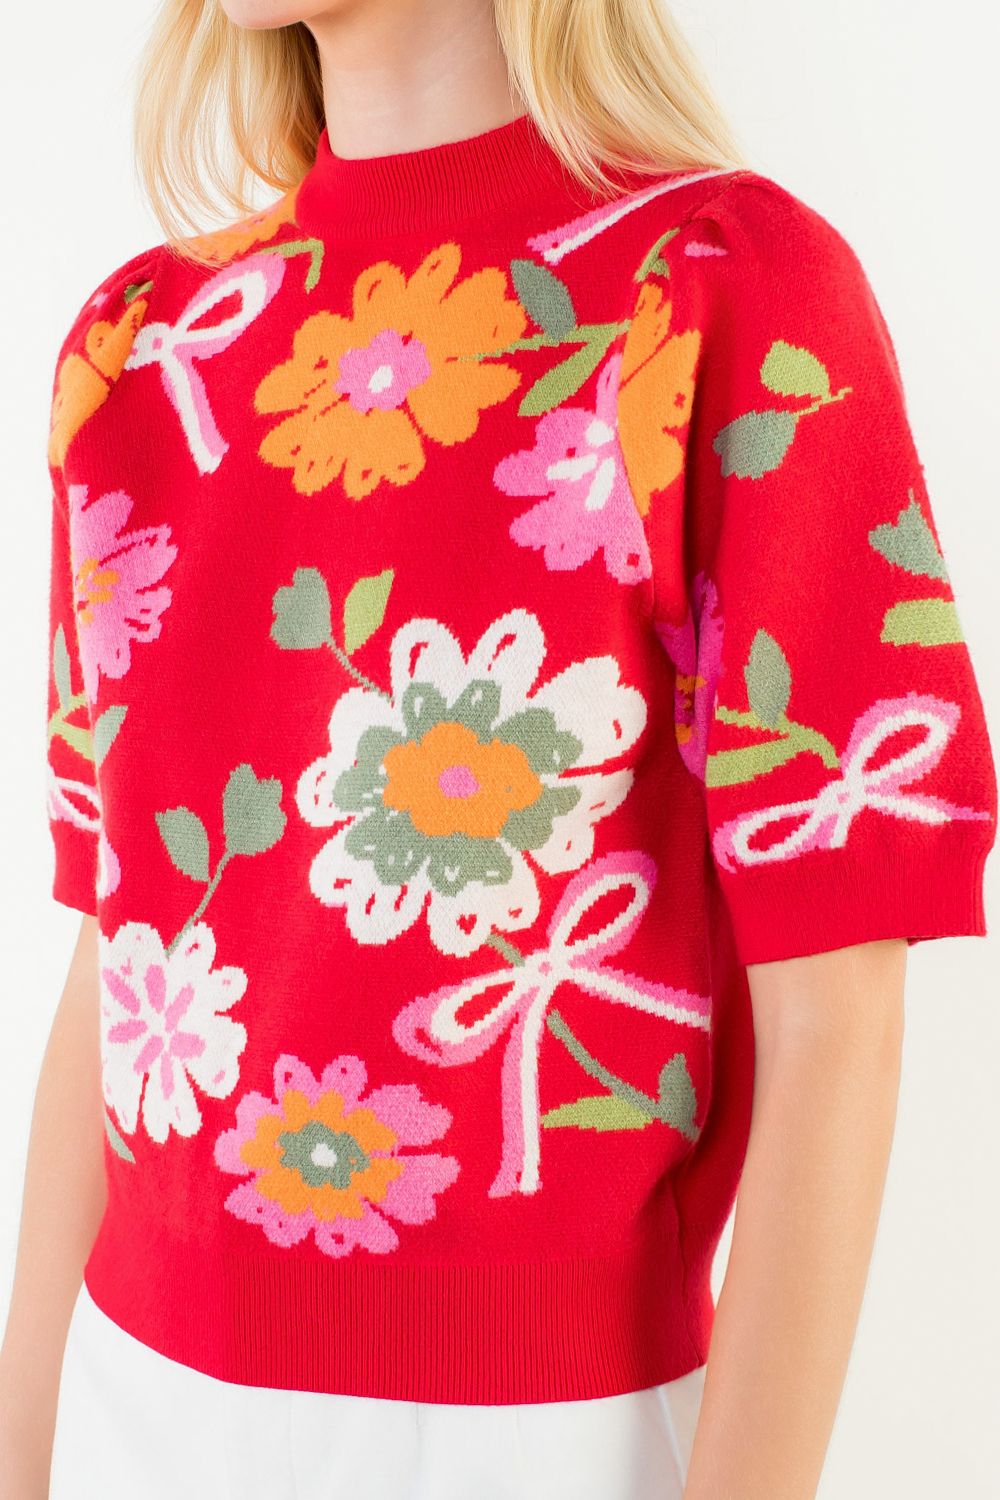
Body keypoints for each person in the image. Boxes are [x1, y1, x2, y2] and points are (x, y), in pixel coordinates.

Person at [2, 1, 996, 1496]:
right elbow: (124, 944)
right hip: (126, 1401)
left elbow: (838, 1008)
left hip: (543, 1440)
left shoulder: (718, 291)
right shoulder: (146, 349)